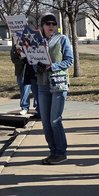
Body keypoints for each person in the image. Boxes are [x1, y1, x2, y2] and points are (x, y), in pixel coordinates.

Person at [35, 13, 74, 165]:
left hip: (58, 84)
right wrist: (34, 64)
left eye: (53, 23)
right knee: (45, 121)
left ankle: (61, 152)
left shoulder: (62, 39)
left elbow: (69, 60)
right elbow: (34, 60)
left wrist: (53, 66)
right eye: (48, 23)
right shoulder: (37, 41)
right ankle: (53, 151)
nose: (51, 26)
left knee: (54, 120)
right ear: (42, 26)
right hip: (42, 84)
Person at [10, 44, 38, 116]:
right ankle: (24, 107)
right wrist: (22, 58)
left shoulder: (34, 42)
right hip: (22, 70)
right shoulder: (16, 46)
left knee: (36, 89)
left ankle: (38, 107)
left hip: (34, 69)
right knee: (24, 88)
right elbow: (14, 59)